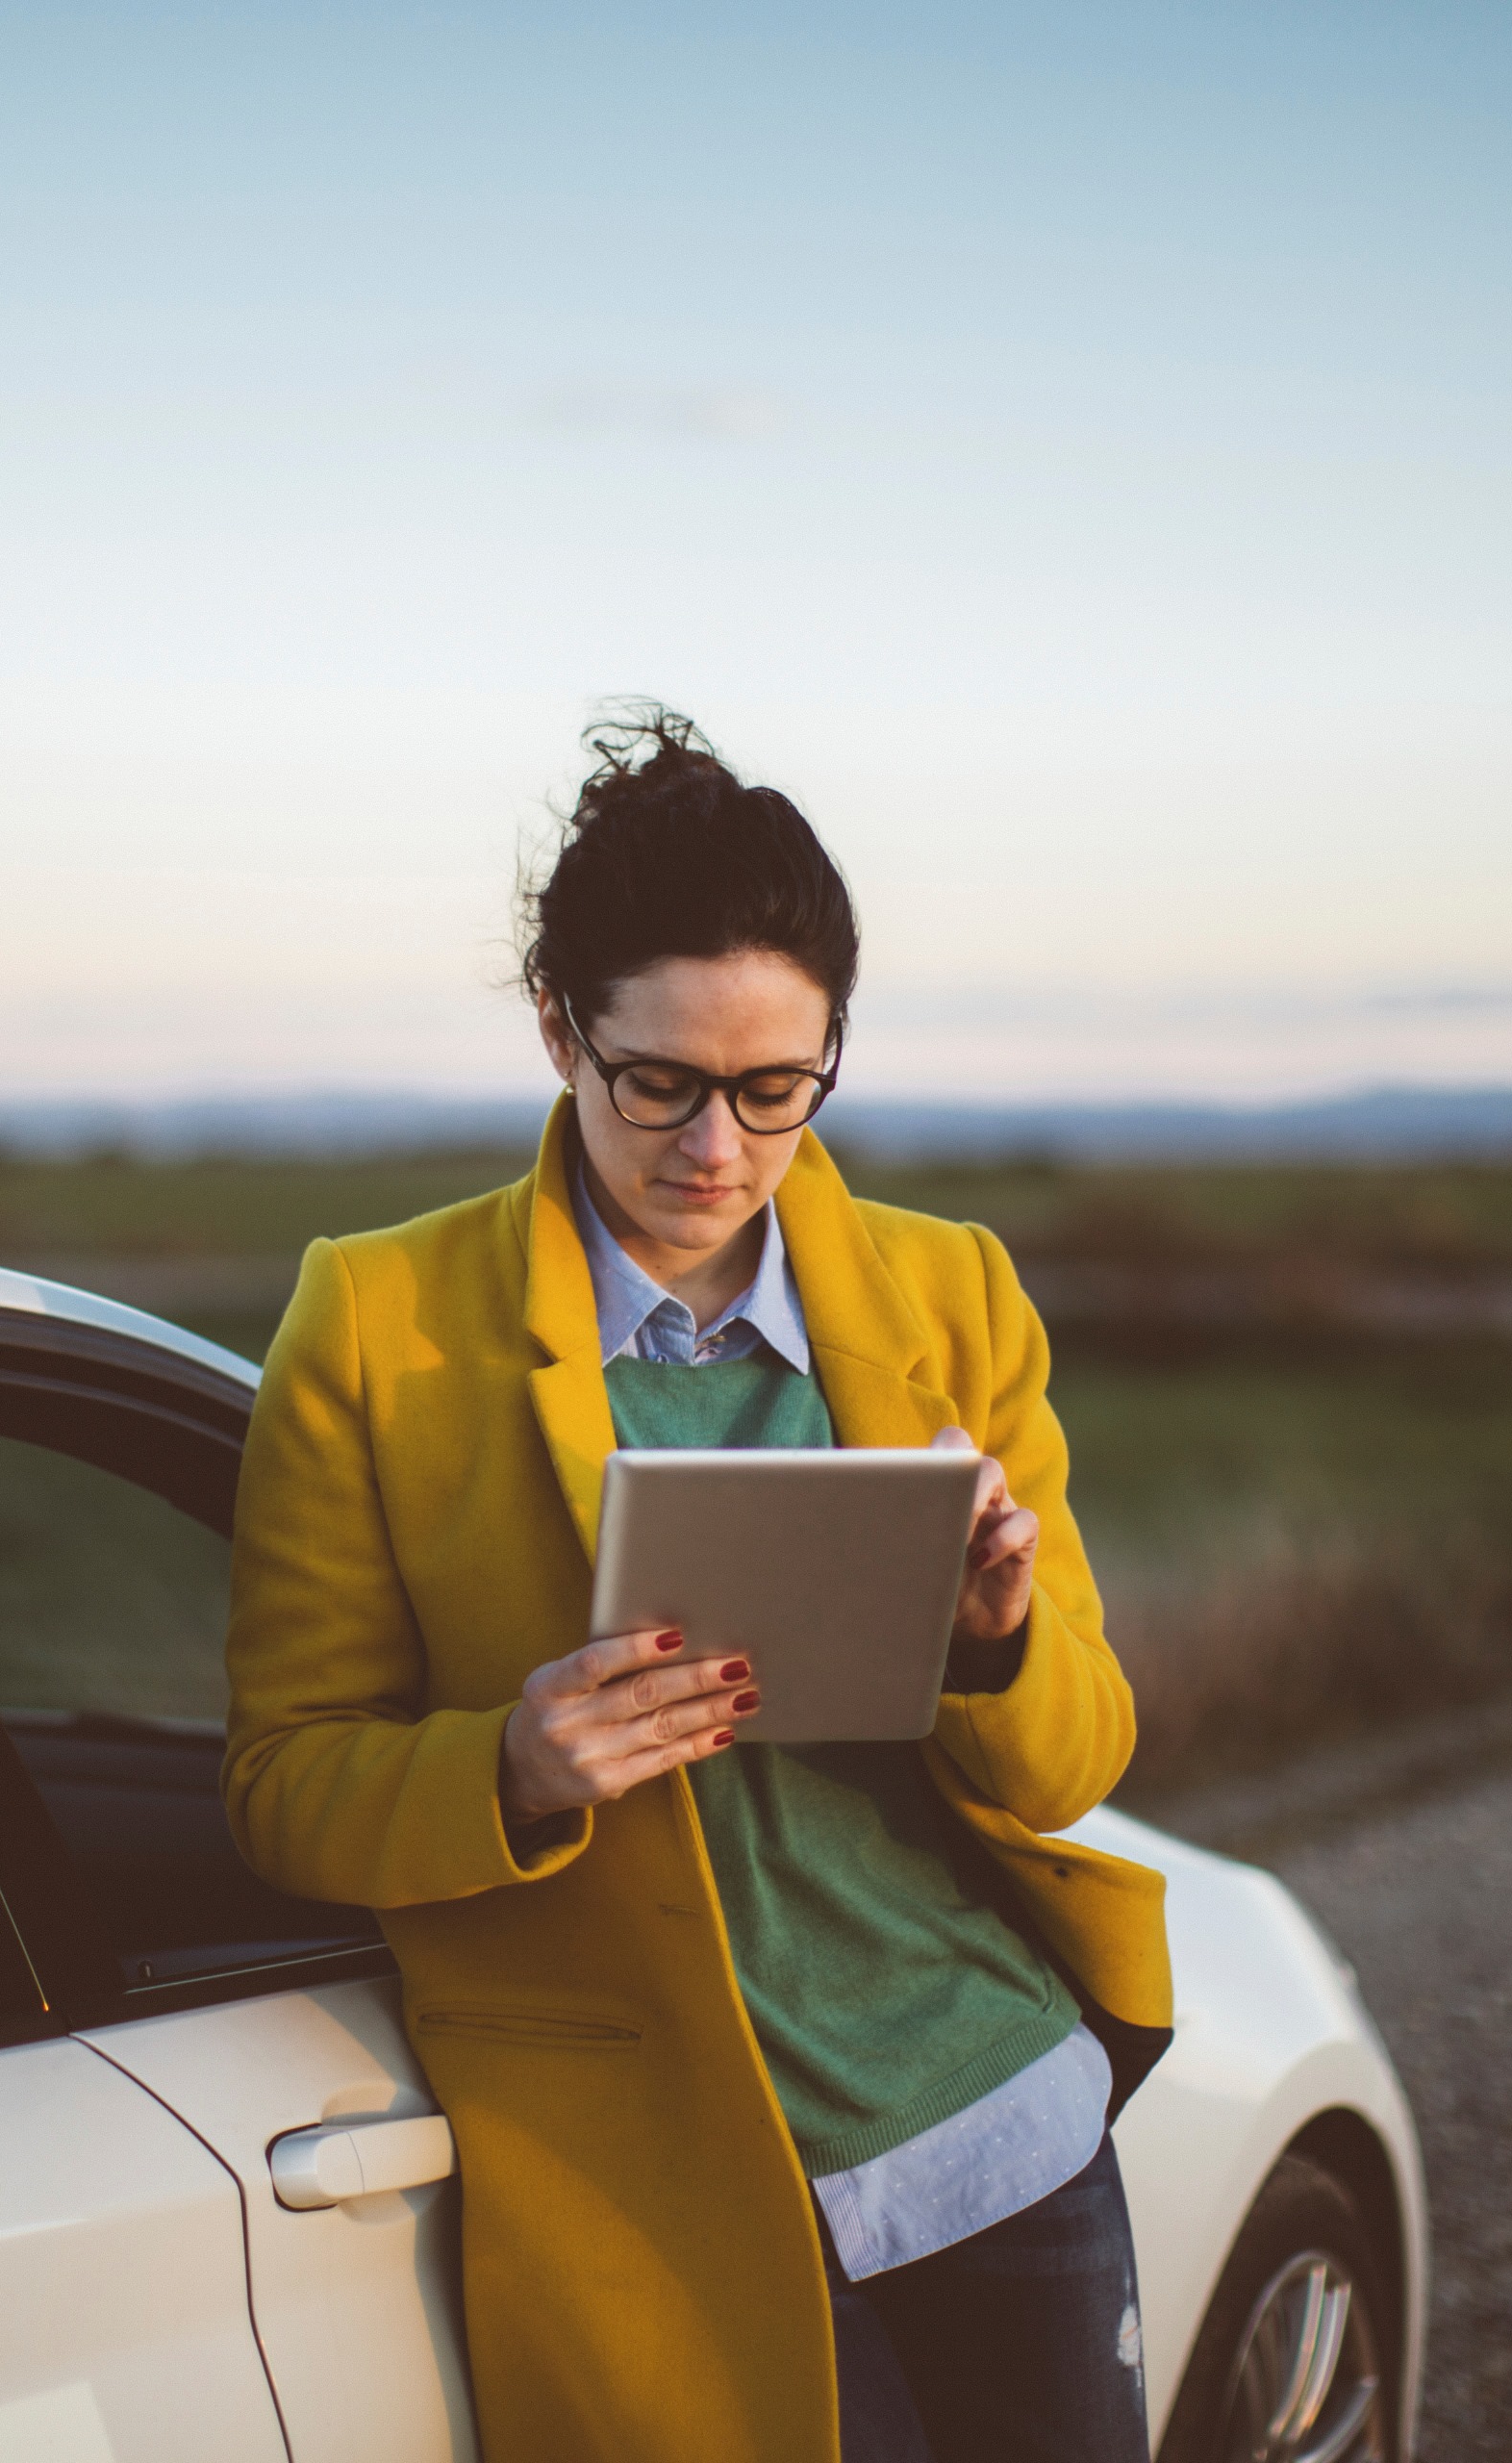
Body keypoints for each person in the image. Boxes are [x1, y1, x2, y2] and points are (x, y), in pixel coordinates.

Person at [223, 708, 1172, 2463]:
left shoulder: (951, 1294)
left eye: (774, 1091)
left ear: (830, 1058)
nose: (715, 1149)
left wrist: (998, 1641)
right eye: (654, 1080)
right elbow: (283, 1781)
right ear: (556, 1028)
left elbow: (1075, 1764)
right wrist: (505, 1772)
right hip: (649, 2186)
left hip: (997, 2117)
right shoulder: (373, 1322)